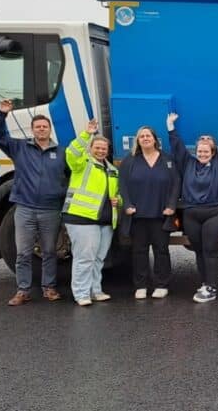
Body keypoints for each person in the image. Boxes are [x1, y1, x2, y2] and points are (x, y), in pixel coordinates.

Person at [0, 99, 69, 306]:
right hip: (24, 209)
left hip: (51, 210)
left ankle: (49, 288)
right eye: (38, 127)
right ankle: (23, 290)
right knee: (23, 252)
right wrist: (1, 114)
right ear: (32, 129)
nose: (41, 129)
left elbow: (72, 176)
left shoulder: (62, 153)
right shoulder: (19, 147)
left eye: (45, 126)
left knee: (50, 251)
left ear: (50, 129)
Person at [168, 111, 218, 303]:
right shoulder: (188, 163)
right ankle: (206, 283)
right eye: (200, 150)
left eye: (206, 151)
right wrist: (171, 127)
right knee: (198, 251)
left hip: (214, 213)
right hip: (191, 214)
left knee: (210, 251)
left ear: (213, 152)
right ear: (195, 152)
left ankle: (212, 287)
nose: (202, 153)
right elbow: (178, 147)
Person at [118, 125, 180, 300]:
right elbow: (122, 185)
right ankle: (141, 285)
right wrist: (127, 204)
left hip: (161, 215)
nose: (145, 138)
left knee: (161, 250)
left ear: (155, 140)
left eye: (148, 136)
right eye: (141, 136)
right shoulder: (129, 161)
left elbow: (176, 183)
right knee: (139, 252)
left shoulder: (167, 160)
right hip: (137, 216)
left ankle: (161, 284)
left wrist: (172, 205)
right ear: (137, 141)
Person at [62, 119, 120, 306]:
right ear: (91, 148)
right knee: (84, 258)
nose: (101, 151)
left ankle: (95, 290)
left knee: (98, 259)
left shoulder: (112, 170)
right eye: (98, 148)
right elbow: (71, 152)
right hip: (81, 219)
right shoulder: (81, 164)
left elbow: (118, 194)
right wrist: (87, 134)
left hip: (104, 221)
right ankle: (81, 294)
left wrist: (118, 200)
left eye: (104, 149)